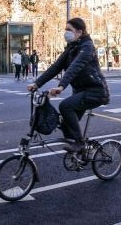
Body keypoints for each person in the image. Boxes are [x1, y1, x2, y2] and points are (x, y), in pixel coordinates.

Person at [27, 17, 110, 153]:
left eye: (69, 30)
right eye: (65, 29)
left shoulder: (87, 47)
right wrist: (37, 84)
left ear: (79, 32)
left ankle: (80, 143)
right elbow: (55, 67)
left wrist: (61, 86)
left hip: (96, 91)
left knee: (65, 106)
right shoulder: (71, 48)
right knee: (66, 124)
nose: (66, 32)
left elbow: (75, 66)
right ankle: (79, 152)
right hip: (80, 91)